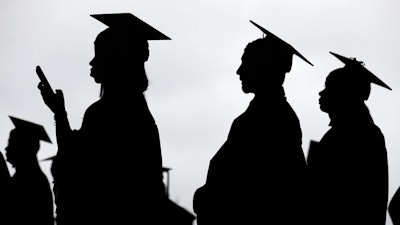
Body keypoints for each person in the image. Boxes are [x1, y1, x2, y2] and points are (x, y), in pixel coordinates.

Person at [38, 13, 170, 225]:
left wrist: (60, 115)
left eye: (99, 54)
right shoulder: (135, 113)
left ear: (117, 60)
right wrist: (59, 112)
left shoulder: (108, 114)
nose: (92, 62)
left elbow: (76, 169)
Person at [193, 20, 313, 225]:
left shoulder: (274, 118)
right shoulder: (265, 115)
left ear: (266, 68)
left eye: (247, 62)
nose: (239, 71)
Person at [307, 52, 390, 225]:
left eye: (329, 87)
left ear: (345, 93)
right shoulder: (357, 132)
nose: (322, 92)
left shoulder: (358, 136)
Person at [3, 116, 54, 225]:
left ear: (24, 147)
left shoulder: (30, 181)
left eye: (11, 143)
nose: (6, 148)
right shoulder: (31, 177)